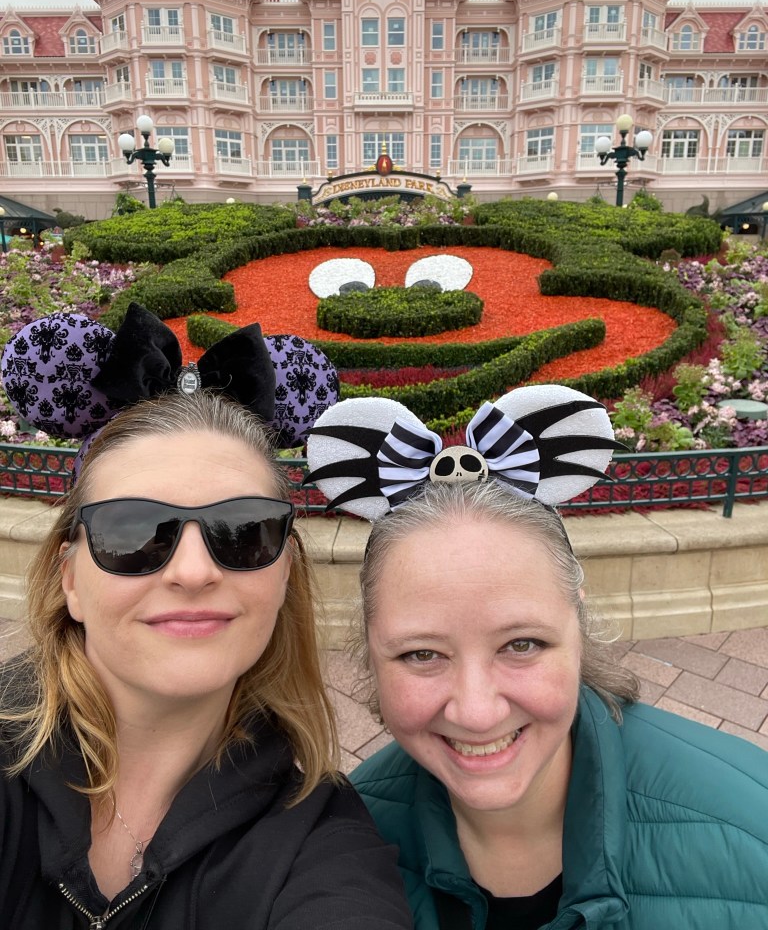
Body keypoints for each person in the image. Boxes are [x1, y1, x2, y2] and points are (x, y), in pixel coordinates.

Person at [304, 385, 768, 930]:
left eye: (521, 645)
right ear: (370, 650)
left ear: (579, 619)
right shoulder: (338, 847)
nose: (477, 712)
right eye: (422, 654)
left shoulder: (752, 832)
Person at [0, 391, 413, 928]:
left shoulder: (323, 844)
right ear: (70, 579)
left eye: (244, 531)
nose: (193, 573)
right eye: (132, 531)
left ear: (285, 573)